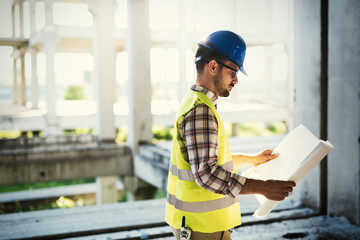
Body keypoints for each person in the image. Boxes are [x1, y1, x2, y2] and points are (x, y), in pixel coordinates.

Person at [165, 30, 296, 240]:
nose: (235, 80)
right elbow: (207, 174)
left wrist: (252, 160)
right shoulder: (200, 111)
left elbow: (209, 160)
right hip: (202, 230)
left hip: (202, 227)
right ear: (213, 66)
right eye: (233, 71)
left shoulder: (197, 102)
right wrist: (262, 188)